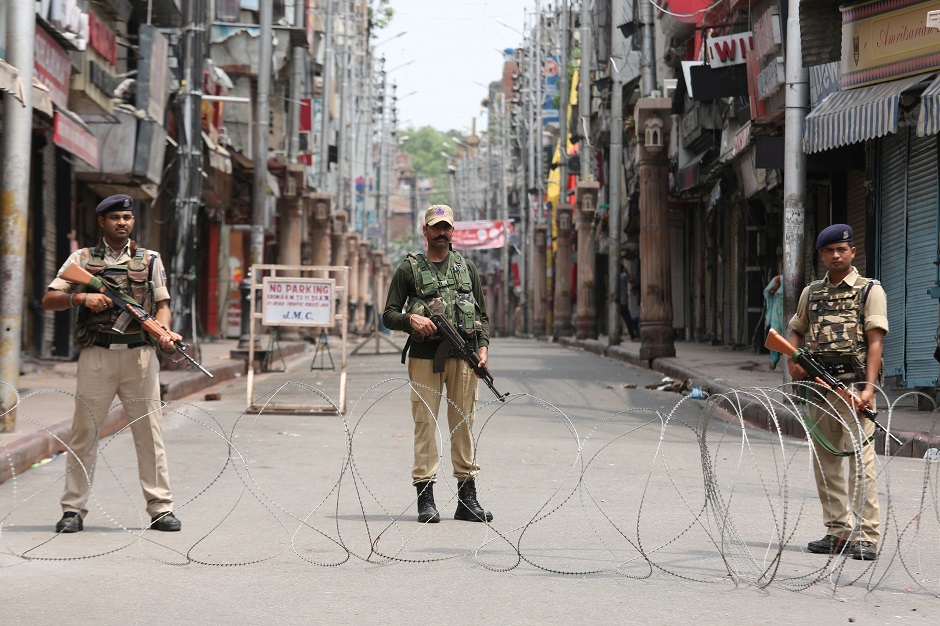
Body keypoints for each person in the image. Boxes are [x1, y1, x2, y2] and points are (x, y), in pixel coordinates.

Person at [41, 194, 183, 534]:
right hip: (97, 356)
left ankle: (161, 508)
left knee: (150, 435)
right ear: (102, 221)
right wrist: (81, 297)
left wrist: (163, 331)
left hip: (140, 356)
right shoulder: (82, 259)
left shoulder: (150, 259)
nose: (123, 222)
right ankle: (73, 509)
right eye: (116, 217)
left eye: (128, 218)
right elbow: (49, 299)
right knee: (84, 434)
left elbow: (162, 304)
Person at [383, 204, 493, 524]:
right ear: (425, 231)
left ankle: (467, 499)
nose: (442, 232)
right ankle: (425, 499)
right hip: (424, 357)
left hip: (465, 357)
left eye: (447, 227)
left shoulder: (467, 268)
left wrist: (483, 349)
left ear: (453, 231)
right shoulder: (409, 269)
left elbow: (481, 316)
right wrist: (410, 319)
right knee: (425, 425)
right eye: (436, 227)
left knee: (463, 426)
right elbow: (388, 314)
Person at [787, 224, 887, 561]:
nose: (836, 255)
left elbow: (875, 342)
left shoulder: (869, 290)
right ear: (821, 256)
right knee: (826, 461)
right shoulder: (811, 293)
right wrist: (794, 363)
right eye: (829, 251)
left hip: (855, 388)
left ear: (852, 252)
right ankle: (837, 531)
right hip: (820, 390)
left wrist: (870, 389)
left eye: (841, 249)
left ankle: (866, 536)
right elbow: (796, 331)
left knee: (861, 461)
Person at [763, 273, 784, 369]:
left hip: (790, 311)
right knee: (774, 335)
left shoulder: (796, 277)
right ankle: (774, 359)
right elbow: (768, 292)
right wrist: (773, 289)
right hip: (777, 311)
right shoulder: (778, 279)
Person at [619, 262, 639, 341]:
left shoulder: (615, 277)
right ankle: (633, 336)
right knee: (628, 319)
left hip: (618, 302)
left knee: (619, 319)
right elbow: (632, 280)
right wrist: (627, 271)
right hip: (623, 302)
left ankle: (617, 335)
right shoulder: (623, 276)